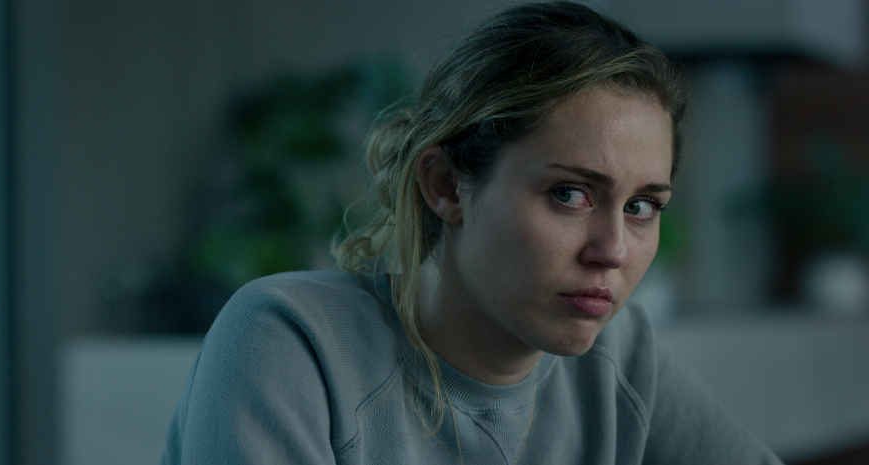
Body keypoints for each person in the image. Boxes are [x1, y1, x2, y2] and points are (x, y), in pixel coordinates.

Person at [161, 2, 784, 464]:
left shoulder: (619, 358)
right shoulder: (289, 342)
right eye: (569, 194)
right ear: (445, 185)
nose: (613, 250)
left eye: (643, 206)